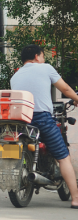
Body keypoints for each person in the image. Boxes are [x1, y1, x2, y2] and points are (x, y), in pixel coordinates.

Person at [11, 44, 78, 209]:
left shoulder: (15, 76)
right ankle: (76, 198)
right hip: (42, 118)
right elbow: (65, 88)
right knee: (63, 157)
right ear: (36, 56)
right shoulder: (45, 68)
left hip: (21, 121)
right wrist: (76, 98)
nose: (43, 60)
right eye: (42, 56)